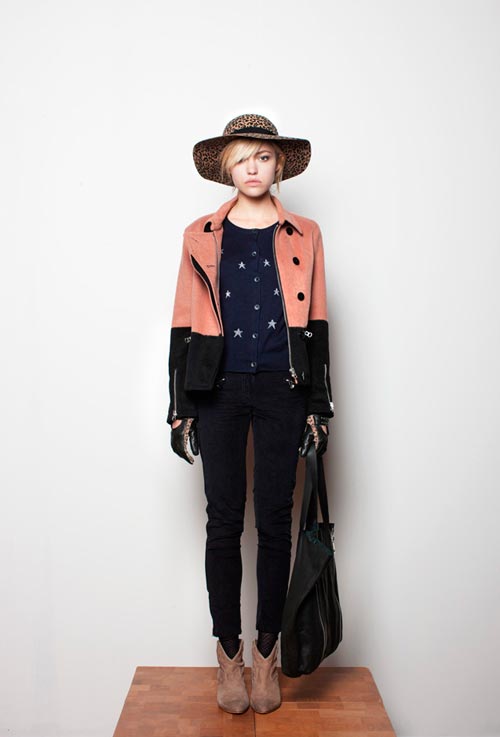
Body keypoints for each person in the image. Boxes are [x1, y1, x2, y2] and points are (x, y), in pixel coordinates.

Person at [166, 113, 334, 714]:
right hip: (218, 389)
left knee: (274, 521)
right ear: (227, 168)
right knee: (222, 522)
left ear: (278, 165)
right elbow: (184, 322)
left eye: (263, 157)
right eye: (242, 158)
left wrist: (318, 403)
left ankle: (267, 654)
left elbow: (317, 320)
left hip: (283, 389)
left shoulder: (305, 233)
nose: (253, 168)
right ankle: (228, 654)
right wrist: (180, 406)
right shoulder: (201, 234)